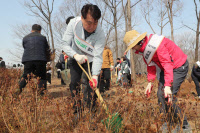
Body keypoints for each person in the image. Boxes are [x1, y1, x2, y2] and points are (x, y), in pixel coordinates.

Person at [123, 30, 192, 132]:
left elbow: (167, 63)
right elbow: (150, 66)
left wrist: (168, 86)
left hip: (178, 66)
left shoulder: (156, 44)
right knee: (160, 94)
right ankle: (168, 121)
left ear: (138, 43)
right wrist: (150, 82)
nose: (133, 49)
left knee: (169, 95)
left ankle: (184, 126)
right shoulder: (144, 50)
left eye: (132, 46)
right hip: (166, 68)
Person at [62, 4, 105, 117]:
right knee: (74, 84)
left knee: (91, 87)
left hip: (90, 60)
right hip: (75, 58)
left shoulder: (100, 33)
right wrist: (75, 55)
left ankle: (92, 112)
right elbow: (64, 44)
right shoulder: (73, 24)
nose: (92, 26)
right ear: (82, 18)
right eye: (89, 23)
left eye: (95, 23)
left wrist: (95, 75)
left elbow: (98, 56)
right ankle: (77, 111)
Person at [17, 24, 50, 96]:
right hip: (40, 59)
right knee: (42, 77)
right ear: (40, 31)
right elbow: (47, 48)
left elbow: (24, 47)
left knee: (26, 76)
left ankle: (16, 92)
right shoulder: (43, 38)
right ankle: (41, 95)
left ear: (31, 30)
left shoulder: (25, 38)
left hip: (28, 60)